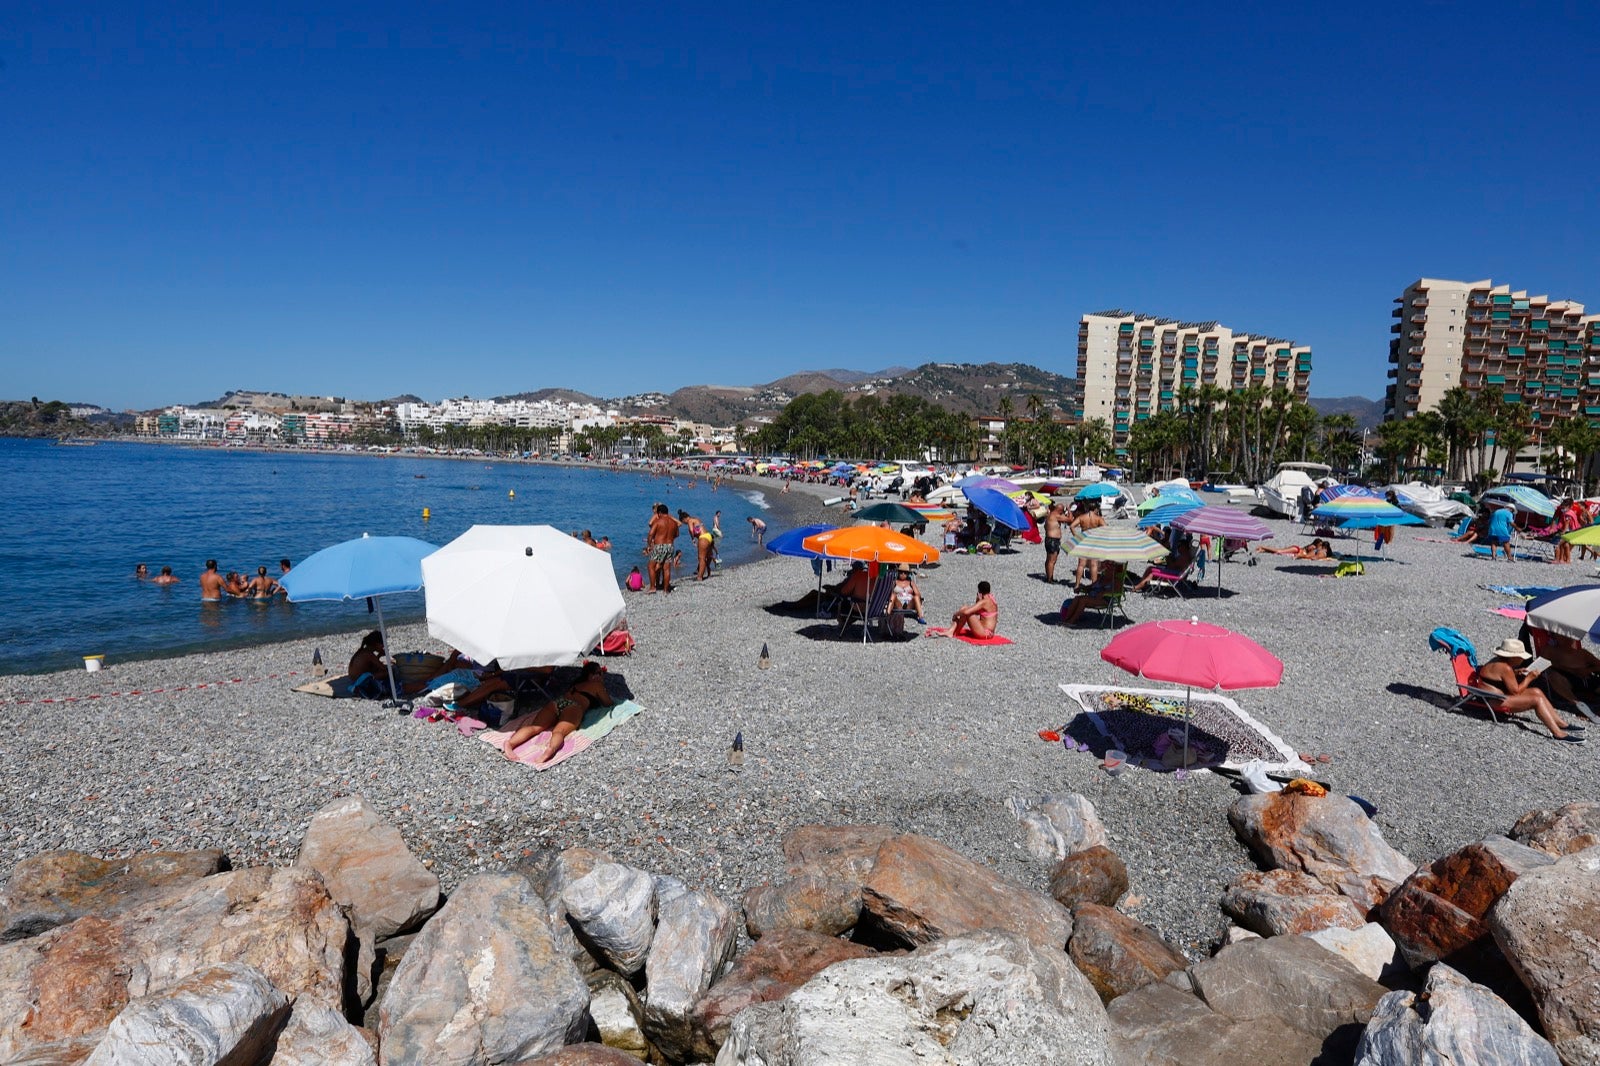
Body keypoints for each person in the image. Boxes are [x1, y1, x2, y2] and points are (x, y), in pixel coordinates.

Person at [500, 661, 616, 764]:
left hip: (557, 702)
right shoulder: (596, 685)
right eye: (599, 673)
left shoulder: (577, 684)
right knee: (559, 732)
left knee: (535, 727)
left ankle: (510, 744)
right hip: (573, 707)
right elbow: (608, 703)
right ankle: (549, 751)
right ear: (590, 675)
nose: (602, 676)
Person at [1475, 638, 1584, 743]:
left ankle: (1560, 723)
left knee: (1537, 691)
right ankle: (1558, 733)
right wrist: (1529, 678)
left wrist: (1516, 672)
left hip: (1488, 695)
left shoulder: (1498, 661)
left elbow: (1498, 677)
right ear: (1513, 657)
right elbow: (1516, 692)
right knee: (1536, 700)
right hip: (1492, 701)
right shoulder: (1505, 668)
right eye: (1521, 657)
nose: (1523, 659)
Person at [1060, 563, 1126, 626]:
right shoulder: (1101, 578)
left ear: (1115, 572)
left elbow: (1118, 592)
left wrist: (1104, 593)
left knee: (1083, 600)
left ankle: (1072, 621)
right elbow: (1091, 587)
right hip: (1093, 597)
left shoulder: (1116, 581)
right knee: (1077, 598)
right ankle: (1066, 619)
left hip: (1104, 600)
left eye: (1110, 570)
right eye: (1107, 569)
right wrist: (1081, 588)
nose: (1107, 571)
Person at [1069, 502, 1106, 586]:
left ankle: (1077, 584)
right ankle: (1094, 584)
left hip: (1083, 541)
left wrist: (1076, 537)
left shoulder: (1082, 517)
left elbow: (1071, 526)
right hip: (1094, 541)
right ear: (1096, 509)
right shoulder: (1098, 518)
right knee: (1093, 565)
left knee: (1081, 564)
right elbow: (1106, 528)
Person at [646, 503, 680, 593]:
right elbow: (677, 534)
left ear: (659, 513)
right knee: (666, 568)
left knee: (651, 566)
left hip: (659, 546)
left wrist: (649, 545)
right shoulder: (673, 523)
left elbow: (650, 534)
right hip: (670, 546)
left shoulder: (658, 521)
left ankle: (653, 587)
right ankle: (665, 589)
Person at [347, 630, 390, 698]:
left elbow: (373, 665)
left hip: (353, 677)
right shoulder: (369, 654)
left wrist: (379, 655)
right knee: (387, 672)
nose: (383, 646)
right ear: (376, 644)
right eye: (382, 644)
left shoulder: (363, 650)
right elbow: (383, 668)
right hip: (359, 680)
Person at [885, 568, 925, 638]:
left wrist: (909, 594)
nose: (903, 574)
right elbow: (889, 593)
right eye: (901, 572)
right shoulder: (894, 582)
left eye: (905, 572)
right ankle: (887, 615)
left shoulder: (910, 582)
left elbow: (918, 594)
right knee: (893, 595)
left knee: (916, 597)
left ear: (908, 573)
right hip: (898, 602)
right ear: (898, 572)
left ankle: (920, 617)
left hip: (909, 602)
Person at [1043, 502, 1066, 585]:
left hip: (1049, 539)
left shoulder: (1050, 515)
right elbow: (1070, 519)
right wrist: (1069, 510)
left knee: (1049, 559)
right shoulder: (1056, 515)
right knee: (1052, 560)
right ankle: (1050, 579)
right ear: (1060, 510)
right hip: (1053, 540)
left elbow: (1045, 526)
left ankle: (1049, 576)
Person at [1255, 539, 1333, 560]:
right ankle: (1263, 547)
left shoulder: (1316, 548)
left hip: (1298, 550)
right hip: (1297, 549)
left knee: (1279, 552)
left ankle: (1263, 550)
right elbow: (1310, 552)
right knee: (1279, 551)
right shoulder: (1313, 547)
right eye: (1319, 545)